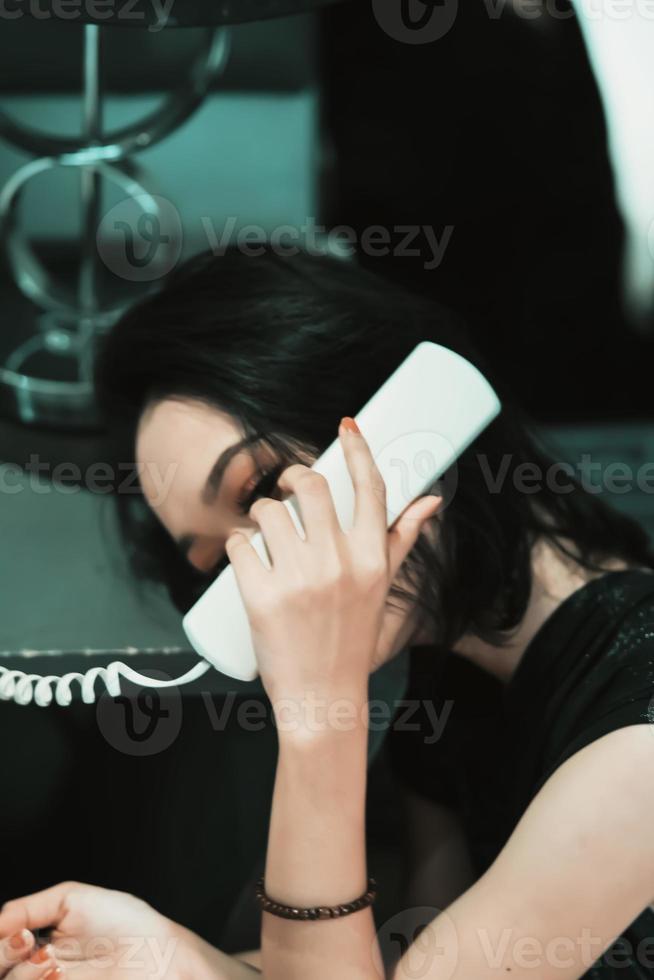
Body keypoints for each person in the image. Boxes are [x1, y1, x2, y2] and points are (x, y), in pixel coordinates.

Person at [1, 247, 653, 980]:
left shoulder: (640, 747)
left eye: (262, 494)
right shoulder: (451, 674)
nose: (256, 578)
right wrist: (177, 962)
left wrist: (319, 714)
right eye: (218, 564)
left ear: (403, 420)